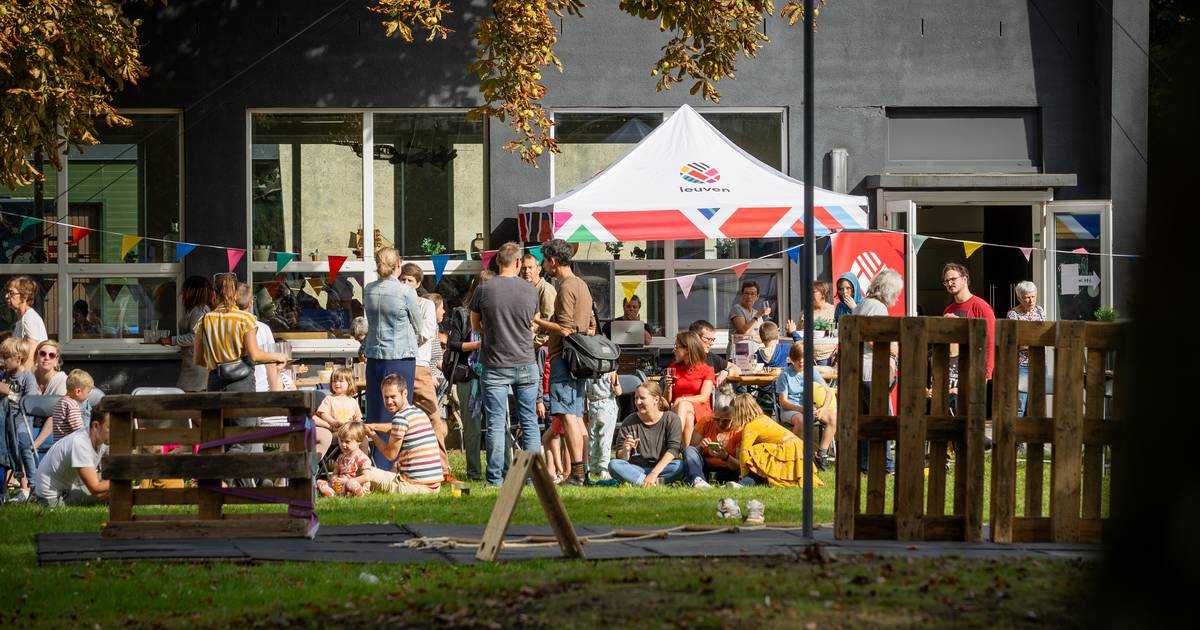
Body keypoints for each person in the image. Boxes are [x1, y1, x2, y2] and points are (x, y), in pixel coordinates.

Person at [193, 272, 286, 487]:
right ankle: (222, 472)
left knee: (221, 436)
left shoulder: (205, 320)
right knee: (244, 437)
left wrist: (218, 359)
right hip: (242, 383)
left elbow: (198, 359)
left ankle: (241, 489)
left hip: (215, 382)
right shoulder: (245, 319)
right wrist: (278, 356)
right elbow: (255, 356)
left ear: (213, 294)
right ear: (235, 293)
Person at [471, 242, 541, 486]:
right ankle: (532, 478)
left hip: (495, 363)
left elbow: (474, 325)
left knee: (496, 423)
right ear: (519, 263)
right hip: (525, 361)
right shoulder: (530, 290)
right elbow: (533, 322)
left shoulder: (483, 289)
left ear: (497, 262)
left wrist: (491, 332)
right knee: (529, 421)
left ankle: (494, 479)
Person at [532, 238, 593, 486]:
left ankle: (577, 474)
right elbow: (591, 326)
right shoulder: (583, 285)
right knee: (575, 416)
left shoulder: (566, 287)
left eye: (545, 261)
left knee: (568, 416)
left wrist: (538, 321)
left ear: (554, 261)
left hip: (564, 358)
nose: (543, 266)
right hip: (578, 360)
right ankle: (581, 472)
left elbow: (566, 329)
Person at [398, 263, 452, 477]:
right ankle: (401, 466)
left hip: (419, 365)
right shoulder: (394, 303)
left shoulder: (426, 305)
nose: (405, 284)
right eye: (402, 279)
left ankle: (442, 468)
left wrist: (402, 339)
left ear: (418, 283)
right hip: (397, 363)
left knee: (432, 416)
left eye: (410, 280)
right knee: (399, 416)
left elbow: (426, 333)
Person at [362, 247, 422, 424]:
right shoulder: (405, 291)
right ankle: (399, 451)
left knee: (376, 409)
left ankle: (378, 451)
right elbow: (419, 326)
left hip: (374, 357)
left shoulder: (369, 289)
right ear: (398, 264)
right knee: (400, 411)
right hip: (400, 357)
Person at [853, 268, 903, 475]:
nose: (898, 297)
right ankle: (886, 465)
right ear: (888, 291)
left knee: (866, 420)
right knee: (882, 419)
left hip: (859, 370)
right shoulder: (877, 308)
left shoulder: (861, 305)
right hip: (873, 370)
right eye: (897, 293)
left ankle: (865, 465)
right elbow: (875, 340)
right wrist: (894, 349)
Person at [365, 374, 443, 495]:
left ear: (404, 393)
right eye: (386, 397)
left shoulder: (400, 418)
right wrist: (374, 426)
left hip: (414, 487)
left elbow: (391, 455)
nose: (389, 401)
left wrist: (373, 435)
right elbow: (395, 428)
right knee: (397, 465)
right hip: (434, 487)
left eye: (393, 396)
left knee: (365, 471)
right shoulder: (418, 412)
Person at [445, 272, 486, 481]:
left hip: (495, 374)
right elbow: (453, 344)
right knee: (472, 427)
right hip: (469, 376)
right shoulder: (462, 314)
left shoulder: (499, 313)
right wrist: (478, 344)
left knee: (500, 425)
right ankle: (474, 473)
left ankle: (504, 470)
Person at [734, 394, 821, 488]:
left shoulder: (751, 426)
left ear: (739, 412)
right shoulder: (764, 418)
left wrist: (743, 474)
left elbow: (744, 452)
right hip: (798, 446)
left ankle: (745, 482)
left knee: (755, 451)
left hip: (788, 448)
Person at [608, 382, 686, 486]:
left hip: (663, 468)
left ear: (656, 399)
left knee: (680, 466)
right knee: (614, 465)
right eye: (636, 398)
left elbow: (673, 450)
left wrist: (654, 473)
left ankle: (638, 481)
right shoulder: (629, 421)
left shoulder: (671, 419)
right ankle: (651, 483)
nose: (638, 402)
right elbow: (621, 458)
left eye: (642, 398)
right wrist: (626, 450)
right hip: (636, 468)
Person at [775, 343, 836, 470]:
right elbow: (783, 402)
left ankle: (821, 454)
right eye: (798, 360)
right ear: (792, 359)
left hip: (809, 408)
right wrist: (801, 409)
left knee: (833, 419)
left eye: (804, 359)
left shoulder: (811, 371)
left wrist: (822, 409)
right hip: (791, 409)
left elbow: (828, 392)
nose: (801, 362)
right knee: (802, 421)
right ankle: (797, 454)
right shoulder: (785, 375)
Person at [34, 410, 110, 507]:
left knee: (113, 491)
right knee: (114, 495)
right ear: (95, 426)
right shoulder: (80, 443)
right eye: (110, 428)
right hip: (54, 499)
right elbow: (96, 488)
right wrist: (126, 479)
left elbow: (110, 472)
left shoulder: (102, 438)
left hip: (70, 486)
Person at [682, 392, 756, 487]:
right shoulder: (706, 421)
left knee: (751, 474)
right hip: (706, 468)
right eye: (717, 419)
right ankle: (699, 481)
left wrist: (725, 456)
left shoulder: (739, 430)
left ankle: (735, 485)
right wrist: (701, 446)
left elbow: (740, 466)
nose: (720, 424)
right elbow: (691, 453)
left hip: (730, 471)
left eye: (726, 420)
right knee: (689, 450)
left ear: (734, 417)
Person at [0, 336, 38, 502]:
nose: (2, 360)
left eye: (5, 357)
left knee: (23, 446)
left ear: (18, 358)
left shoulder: (27, 378)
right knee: (4, 451)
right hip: (5, 420)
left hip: (21, 420)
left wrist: (9, 393)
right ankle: (4, 490)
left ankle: (33, 484)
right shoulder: (4, 375)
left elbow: (29, 402)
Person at [942, 262, 996, 379]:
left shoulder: (981, 306)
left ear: (964, 279)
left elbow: (990, 340)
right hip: (953, 371)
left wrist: (987, 372)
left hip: (976, 367)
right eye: (946, 281)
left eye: (953, 279)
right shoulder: (948, 309)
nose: (950, 283)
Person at [159, 275, 213, 392]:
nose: (182, 293)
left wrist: (171, 340)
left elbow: (195, 337)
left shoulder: (198, 311)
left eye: (185, 289)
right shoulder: (199, 310)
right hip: (193, 363)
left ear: (193, 292)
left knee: (185, 393)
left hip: (196, 367)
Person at [665, 331, 714, 450]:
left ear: (687, 349)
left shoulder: (706, 370)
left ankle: (671, 444)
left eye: (676, 347)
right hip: (677, 409)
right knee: (688, 417)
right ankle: (687, 453)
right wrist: (668, 388)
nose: (673, 350)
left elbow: (704, 397)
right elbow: (666, 401)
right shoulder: (673, 367)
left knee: (683, 405)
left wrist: (682, 399)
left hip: (700, 408)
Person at [1007, 280, 1046, 416]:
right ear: (1019, 298)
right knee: (1020, 404)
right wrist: (1032, 343)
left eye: (1033, 296)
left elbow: (1044, 335)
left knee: (1036, 403)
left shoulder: (1040, 311)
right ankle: (1018, 435)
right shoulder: (1013, 314)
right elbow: (1014, 341)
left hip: (1039, 363)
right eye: (1027, 297)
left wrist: (1031, 343)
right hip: (1021, 364)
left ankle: (1033, 435)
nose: (1031, 300)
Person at [314, 366, 362, 457]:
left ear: (349, 383)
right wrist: (333, 422)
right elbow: (322, 413)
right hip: (336, 431)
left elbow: (358, 416)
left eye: (340, 381)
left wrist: (356, 420)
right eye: (334, 381)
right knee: (346, 437)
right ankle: (347, 460)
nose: (337, 384)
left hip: (351, 431)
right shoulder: (329, 399)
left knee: (364, 438)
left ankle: (362, 460)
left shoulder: (352, 401)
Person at [316, 422, 374, 497]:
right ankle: (334, 494)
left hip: (356, 486)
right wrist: (334, 478)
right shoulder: (341, 457)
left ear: (359, 441)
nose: (343, 444)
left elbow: (366, 477)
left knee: (351, 484)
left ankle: (359, 495)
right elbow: (335, 472)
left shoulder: (362, 458)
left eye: (347, 442)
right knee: (319, 482)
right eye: (341, 441)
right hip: (341, 487)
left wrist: (347, 481)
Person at [585, 369, 621, 480]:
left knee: (592, 438)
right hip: (607, 405)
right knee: (605, 438)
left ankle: (593, 468)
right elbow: (618, 392)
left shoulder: (587, 371)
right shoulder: (611, 372)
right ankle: (604, 469)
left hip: (592, 405)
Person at [688, 320, 741, 387]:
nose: (711, 343)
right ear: (694, 338)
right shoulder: (683, 358)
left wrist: (726, 371)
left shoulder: (709, 356)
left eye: (712, 339)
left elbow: (737, 369)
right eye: (708, 339)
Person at [6, 276, 47, 360]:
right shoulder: (22, 319)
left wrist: (23, 373)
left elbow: (31, 355)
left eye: (11, 293)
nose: (6, 296)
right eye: (7, 292)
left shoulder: (30, 318)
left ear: (24, 296)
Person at [728, 280, 770, 357]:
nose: (749, 296)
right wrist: (757, 316)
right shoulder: (737, 308)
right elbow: (743, 332)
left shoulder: (756, 313)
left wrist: (750, 337)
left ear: (757, 297)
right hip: (739, 353)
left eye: (753, 294)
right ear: (742, 295)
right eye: (746, 293)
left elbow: (763, 338)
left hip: (754, 354)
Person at [51, 369, 94, 440]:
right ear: (78, 391)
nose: (89, 395)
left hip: (59, 443)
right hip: (69, 445)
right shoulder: (72, 404)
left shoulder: (61, 401)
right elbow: (78, 429)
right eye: (88, 392)